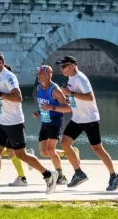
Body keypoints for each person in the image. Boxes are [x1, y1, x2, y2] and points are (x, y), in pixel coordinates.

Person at [0, 51, 59, 197]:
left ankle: (49, 174)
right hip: (0, 121)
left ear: (1, 62)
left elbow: (18, 98)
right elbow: (0, 97)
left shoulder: (9, 77)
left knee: (21, 154)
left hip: (13, 123)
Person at [57, 55, 118, 191]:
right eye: (61, 67)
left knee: (97, 149)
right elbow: (76, 97)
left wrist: (70, 93)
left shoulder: (80, 78)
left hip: (90, 119)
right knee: (65, 143)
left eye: (64, 66)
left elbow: (89, 97)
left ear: (72, 66)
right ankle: (79, 173)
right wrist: (69, 100)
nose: (61, 69)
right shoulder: (71, 78)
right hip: (77, 118)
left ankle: (114, 176)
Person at [33, 65, 70, 186]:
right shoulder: (39, 87)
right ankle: (67, 153)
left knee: (50, 150)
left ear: (49, 75)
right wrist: (39, 112)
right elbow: (44, 104)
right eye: (38, 74)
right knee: (44, 152)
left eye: (42, 74)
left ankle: (61, 176)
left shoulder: (55, 90)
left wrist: (51, 107)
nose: (39, 76)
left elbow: (68, 108)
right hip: (45, 121)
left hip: (55, 122)